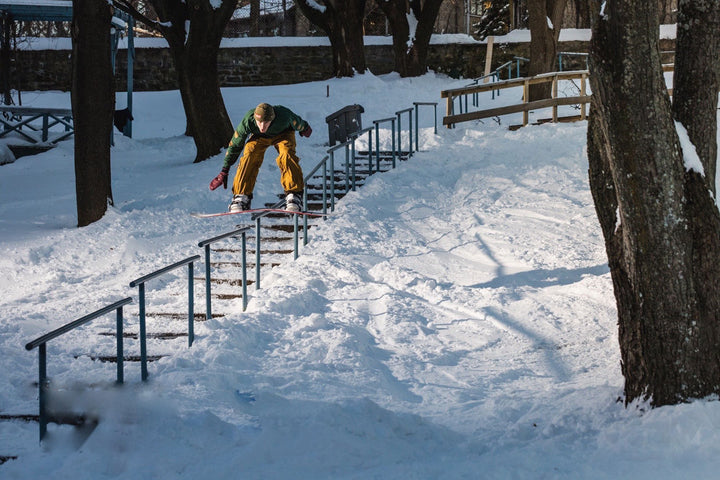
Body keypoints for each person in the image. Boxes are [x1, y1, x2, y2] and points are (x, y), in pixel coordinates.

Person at [209, 102, 313, 212]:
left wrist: (304, 128)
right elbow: (235, 144)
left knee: (286, 154)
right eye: (259, 122)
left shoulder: (284, 115)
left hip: (283, 134)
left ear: (272, 119)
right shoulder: (248, 120)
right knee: (250, 154)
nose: (262, 126)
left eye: (266, 122)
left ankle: (294, 195)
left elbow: (298, 122)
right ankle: (241, 196)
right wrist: (225, 169)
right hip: (259, 137)